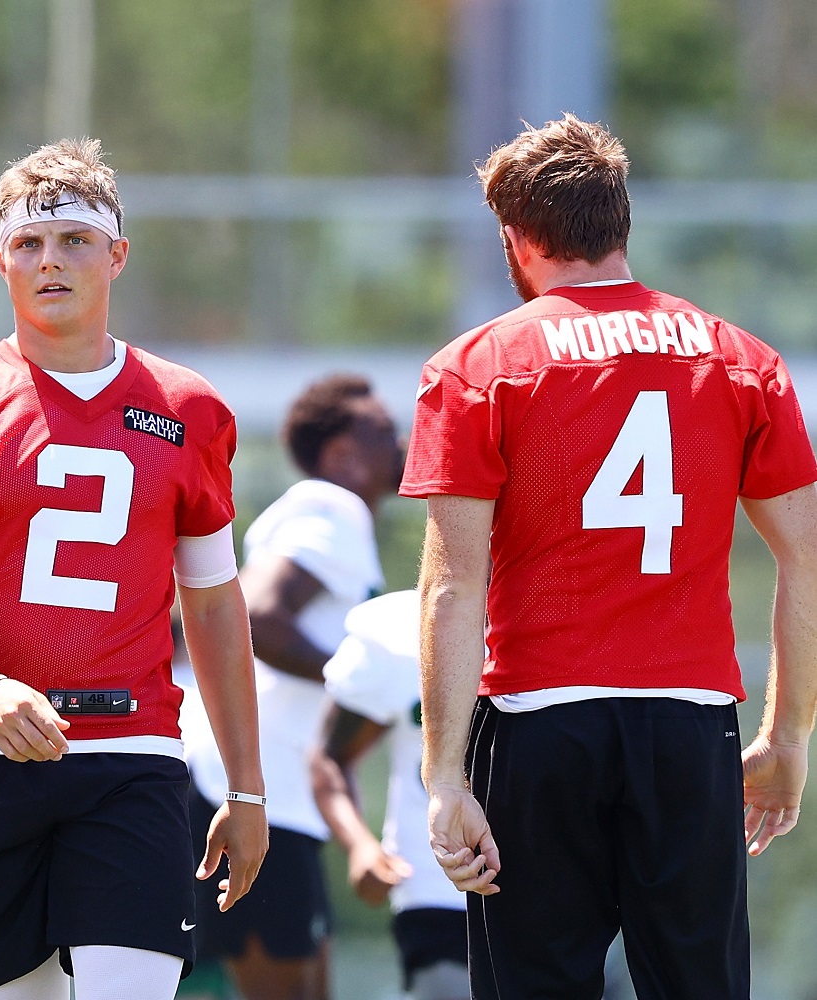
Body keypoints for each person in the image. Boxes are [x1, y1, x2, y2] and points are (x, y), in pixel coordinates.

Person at [401, 114, 817, 999]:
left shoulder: (479, 366)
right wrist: (787, 737)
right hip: (687, 725)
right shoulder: (742, 361)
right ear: (622, 223)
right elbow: (809, 559)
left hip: (537, 723)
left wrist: (441, 776)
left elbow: (450, 588)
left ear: (516, 237)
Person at [0, 137, 267, 1000]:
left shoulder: (189, 407)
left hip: (133, 752)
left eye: (76, 241)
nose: (51, 261)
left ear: (117, 255)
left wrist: (247, 788)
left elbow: (212, 605)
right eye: (29, 244)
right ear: (1, 261)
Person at [179, 374, 403, 1000]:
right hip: (253, 793)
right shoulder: (334, 506)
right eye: (384, 431)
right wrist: (355, 685)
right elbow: (256, 617)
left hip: (267, 795)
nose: (402, 441)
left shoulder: (325, 514)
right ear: (341, 455)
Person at [309, 589, 466, 1000]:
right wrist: (360, 845)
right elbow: (330, 757)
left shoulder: (567, 606)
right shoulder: (402, 630)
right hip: (438, 884)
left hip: (555, 885)